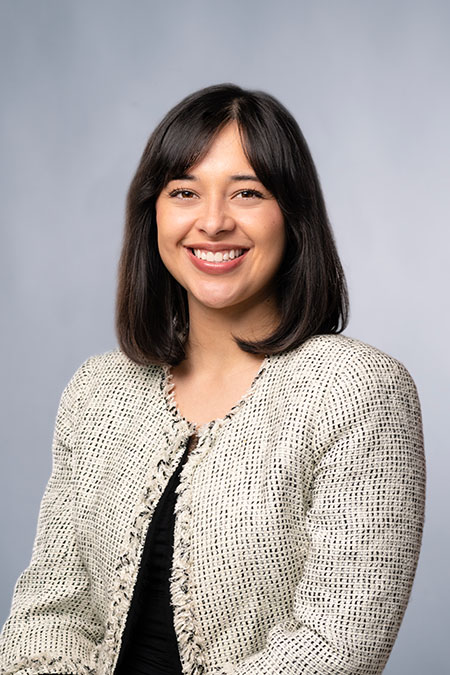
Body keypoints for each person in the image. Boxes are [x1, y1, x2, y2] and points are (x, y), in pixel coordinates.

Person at [0, 83, 426, 675]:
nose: (213, 222)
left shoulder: (357, 389)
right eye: (184, 192)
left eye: (247, 193)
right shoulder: (97, 391)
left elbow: (336, 648)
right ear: (153, 213)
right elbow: (50, 612)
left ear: (293, 215)